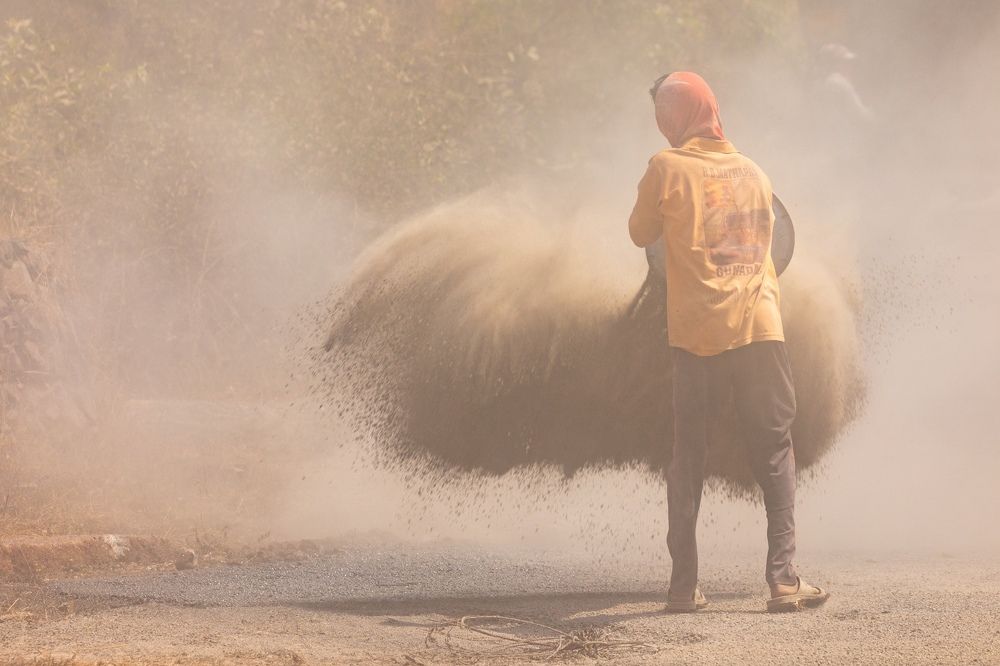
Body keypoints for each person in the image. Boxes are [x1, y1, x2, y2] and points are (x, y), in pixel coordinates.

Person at [627, 71, 830, 613]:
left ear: (670, 119)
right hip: (761, 331)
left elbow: (640, 233)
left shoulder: (664, 168)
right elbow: (773, 247)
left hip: (697, 338)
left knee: (687, 457)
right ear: (711, 109)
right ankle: (784, 580)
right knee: (774, 452)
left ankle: (682, 586)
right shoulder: (756, 172)